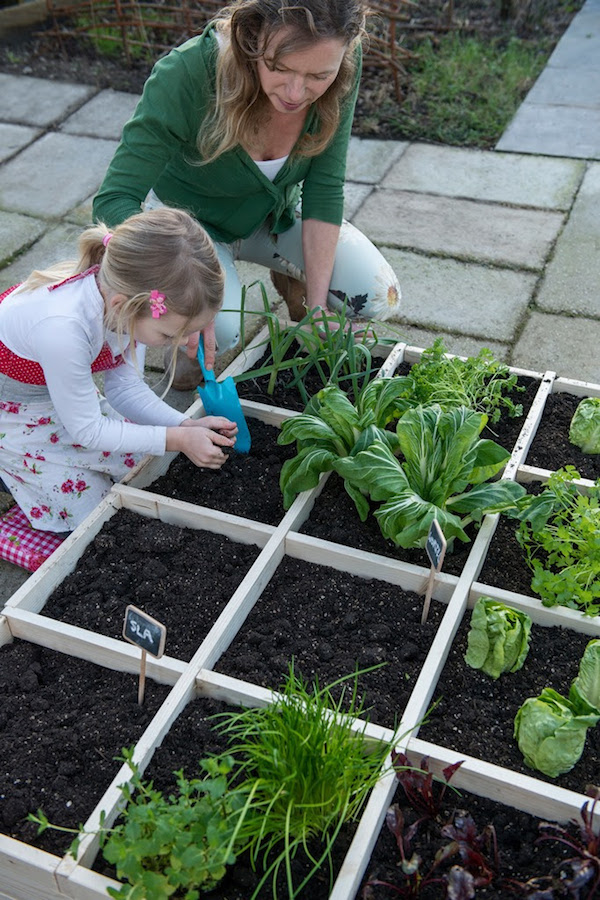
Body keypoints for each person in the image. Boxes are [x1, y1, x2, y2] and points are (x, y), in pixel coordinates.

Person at [92, 0, 402, 390]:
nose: (295, 92)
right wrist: (174, 281)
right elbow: (113, 200)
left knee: (376, 296)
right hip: (191, 231)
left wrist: (319, 308)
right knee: (220, 331)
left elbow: (324, 187)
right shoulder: (187, 72)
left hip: (276, 215)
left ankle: (294, 286)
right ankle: (177, 342)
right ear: (252, 36)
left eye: (318, 75)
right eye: (279, 67)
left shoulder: (339, 59)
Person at [0, 207, 238, 533]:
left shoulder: (127, 303)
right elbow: (88, 430)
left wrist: (184, 425)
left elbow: (124, 388)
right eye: (169, 335)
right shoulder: (63, 330)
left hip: (60, 398)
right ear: (123, 305)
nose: (178, 343)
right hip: (12, 414)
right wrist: (177, 438)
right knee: (91, 511)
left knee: (137, 463)